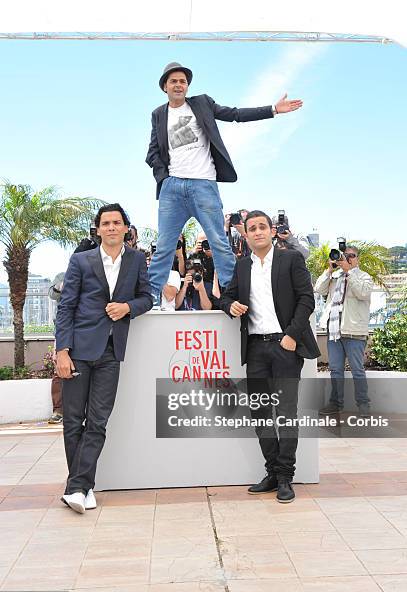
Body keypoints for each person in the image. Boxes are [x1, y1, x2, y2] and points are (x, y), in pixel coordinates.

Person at [146, 61, 303, 301]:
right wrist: (164, 179)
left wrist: (273, 109)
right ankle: (149, 299)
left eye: (183, 81)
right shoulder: (159, 114)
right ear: (164, 86)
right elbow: (153, 152)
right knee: (164, 247)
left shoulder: (202, 104)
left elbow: (235, 115)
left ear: (187, 86)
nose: (179, 85)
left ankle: (232, 297)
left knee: (219, 242)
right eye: (173, 81)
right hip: (173, 188)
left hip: (203, 185)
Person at [55, 203, 153, 514]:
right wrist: (62, 351)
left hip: (112, 352)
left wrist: (127, 308)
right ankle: (82, 486)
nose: (111, 227)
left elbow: (147, 298)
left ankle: (78, 487)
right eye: (105, 223)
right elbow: (66, 307)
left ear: (126, 228)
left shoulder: (137, 260)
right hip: (79, 351)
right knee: (73, 421)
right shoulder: (81, 261)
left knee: (97, 421)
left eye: (116, 222)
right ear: (97, 229)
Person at [220, 210, 319, 502]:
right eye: (252, 228)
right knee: (261, 413)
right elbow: (226, 296)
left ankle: (286, 476)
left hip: (285, 346)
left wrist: (291, 334)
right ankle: (273, 472)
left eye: (262, 227)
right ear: (245, 234)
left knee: (286, 413)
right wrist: (231, 306)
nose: (258, 232)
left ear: (272, 231)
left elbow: (306, 299)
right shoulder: (242, 266)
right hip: (255, 349)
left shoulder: (291, 259)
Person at [314, 245, 374, 417]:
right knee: (336, 370)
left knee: (357, 369)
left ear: (358, 259)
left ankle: (364, 406)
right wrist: (329, 270)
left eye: (351, 255)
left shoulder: (363, 277)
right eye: (344, 255)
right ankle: (336, 404)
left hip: (354, 331)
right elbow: (318, 289)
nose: (347, 258)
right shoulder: (335, 276)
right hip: (334, 331)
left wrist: (350, 272)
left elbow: (362, 292)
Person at [48, 272, 65, 425]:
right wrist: (61, 286)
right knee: (58, 370)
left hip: (85, 331)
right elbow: (52, 293)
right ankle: (58, 410)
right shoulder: (63, 275)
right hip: (62, 330)